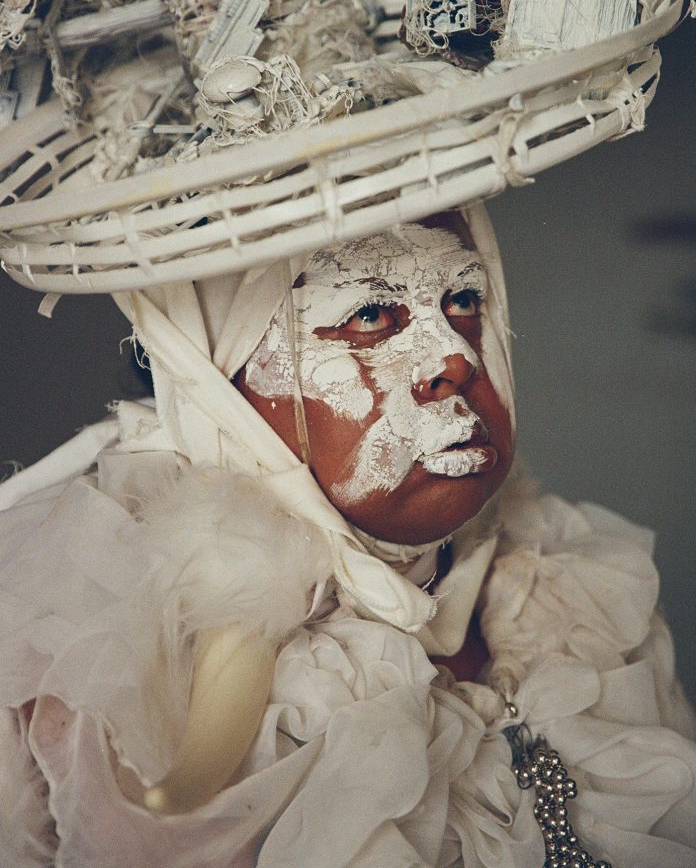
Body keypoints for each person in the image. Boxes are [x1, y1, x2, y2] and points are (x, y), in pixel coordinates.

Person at [1, 201, 695, 868]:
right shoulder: (97, 666)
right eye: (370, 315)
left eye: (463, 300)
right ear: (213, 377)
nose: (454, 359)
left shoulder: (575, 588)